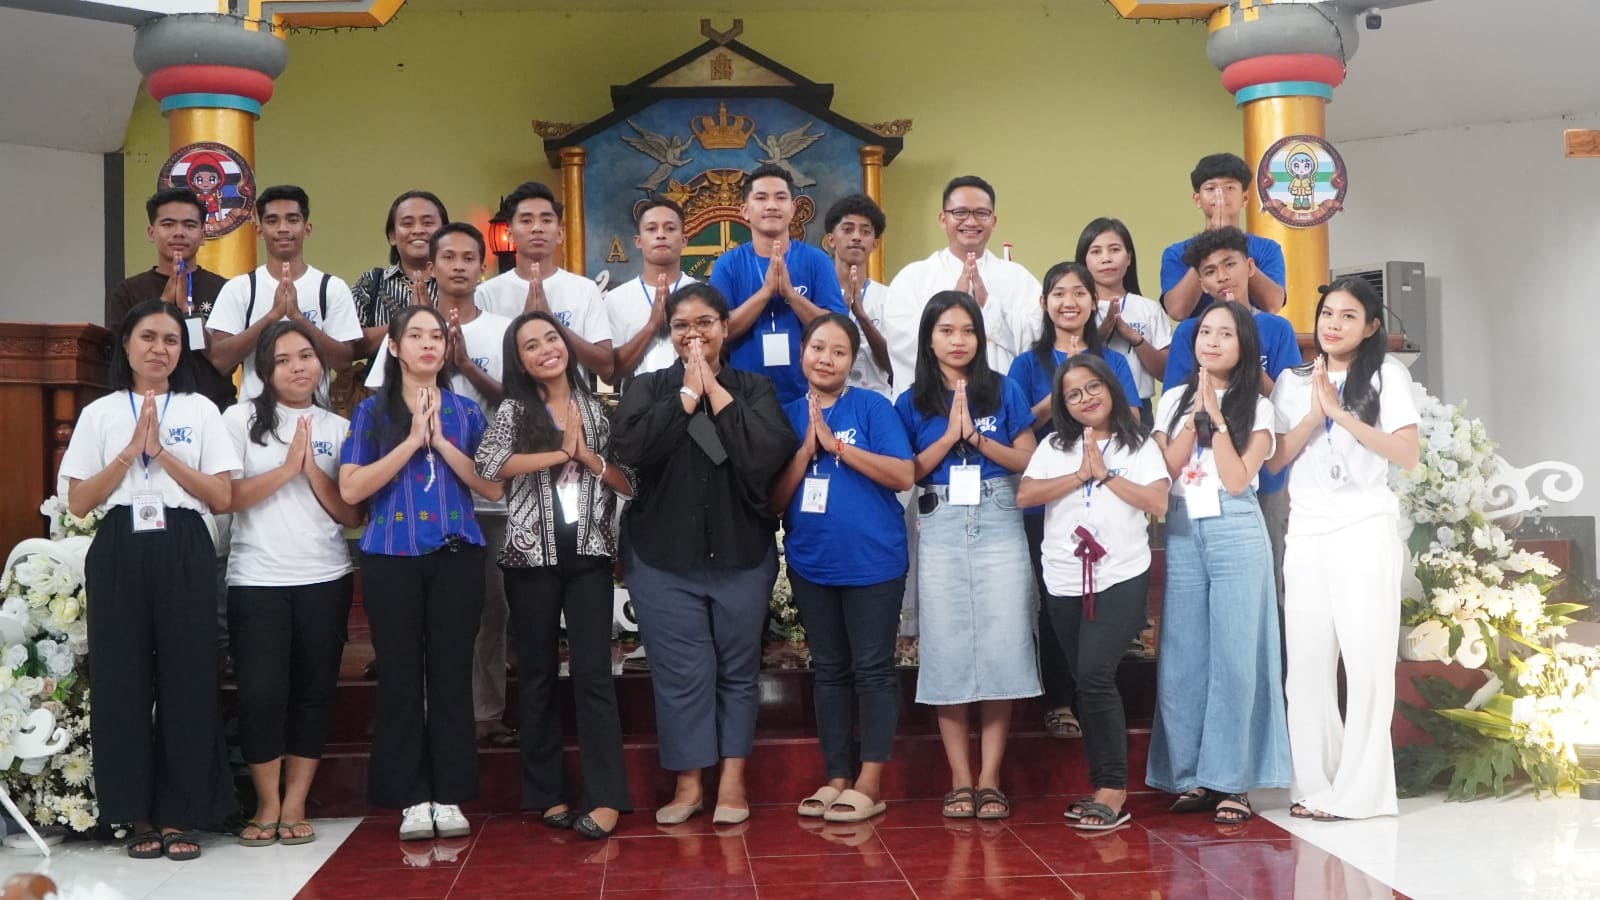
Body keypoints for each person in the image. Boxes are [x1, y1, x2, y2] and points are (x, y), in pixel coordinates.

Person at [59, 299, 240, 861]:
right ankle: (135, 813)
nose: (160, 349)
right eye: (148, 337)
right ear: (126, 345)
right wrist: (127, 455)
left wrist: (161, 453)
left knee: (190, 677)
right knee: (121, 681)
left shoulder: (201, 409)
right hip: (119, 544)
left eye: (171, 340)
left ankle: (182, 813)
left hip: (183, 542)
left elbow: (221, 496)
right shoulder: (100, 412)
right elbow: (78, 502)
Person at [613, 283, 795, 826]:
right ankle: (689, 782)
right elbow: (631, 450)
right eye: (681, 326)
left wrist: (714, 391)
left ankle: (733, 780)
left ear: (724, 327)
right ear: (669, 334)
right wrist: (686, 398)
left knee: (738, 672)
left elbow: (765, 456)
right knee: (681, 675)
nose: (693, 334)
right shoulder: (647, 388)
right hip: (662, 557)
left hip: (741, 553)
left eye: (704, 323)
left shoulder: (754, 388)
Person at [338, 305, 504, 841]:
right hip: (390, 556)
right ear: (394, 347)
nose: (428, 344)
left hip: (457, 554)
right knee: (401, 676)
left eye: (437, 336)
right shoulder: (371, 412)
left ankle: (450, 794)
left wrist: (441, 442)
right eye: (415, 335)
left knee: (452, 675)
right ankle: (411, 797)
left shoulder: (466, 412)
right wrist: (411, 440)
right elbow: (351, 488)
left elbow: (493, 486)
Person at [476, 311, 636, 839]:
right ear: (519, 360)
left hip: (590, 557)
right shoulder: (514, 410)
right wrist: (555, 453)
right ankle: (546, 793)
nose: (546, 349)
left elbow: (629, 482)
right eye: (531, 345)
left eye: (552, 338)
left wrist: (587, 457)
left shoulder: (599, 410)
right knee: (538, 676)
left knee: (593, 675)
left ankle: (607, 797)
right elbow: (488, 466)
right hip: (530, 559)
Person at [1268, 278, 1420, 821]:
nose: (1332, 324)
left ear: (1371, 326)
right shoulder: (1291, 381)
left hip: (1363, 527)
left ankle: (1363, 792)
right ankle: (1314, 784)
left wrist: (1341, 416)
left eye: (1348, 316)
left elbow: (1406, 454)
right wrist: (1313, 415)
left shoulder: (1386, 375)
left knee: (1366, 661)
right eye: (1327, 313)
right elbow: (1274, 461)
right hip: (1307, 530)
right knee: (1307, 664)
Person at [366, 223, 516, 747]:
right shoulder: (409, 331)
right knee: (412, 622)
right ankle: (417, 718)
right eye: (447, 256)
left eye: (469, 257)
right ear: (430, 266)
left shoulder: (502, 329)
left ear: (482, 266)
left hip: (482, 491)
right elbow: (380, 401)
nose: (458, 265)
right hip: (410, 500)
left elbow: (519, 402)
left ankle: (484, 710)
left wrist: (467, 367)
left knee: (488, 609)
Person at [894, 291, 1039, 821]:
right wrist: (948, 437)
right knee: (947, 648)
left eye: (968, 330)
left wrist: (975, 437)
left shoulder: (1003, 389)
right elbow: (906, 472)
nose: (958, 340)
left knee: (1003, 644)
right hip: (939, 522)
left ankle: (990, 779)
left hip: (999, 515)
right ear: (929, 339)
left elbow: (1026, 459)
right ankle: (959, 780)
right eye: (946, 331)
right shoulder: (910, 400)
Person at [1146, 301, 1290, 825]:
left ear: (1244, 345)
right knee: (1183, 654)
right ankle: (1191, 775)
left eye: (1225, 334)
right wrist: (1194, 416)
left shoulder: (1261, 407)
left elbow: (1235, 478)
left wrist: (1220, 419)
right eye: (1205, 331)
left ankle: (1233, 781)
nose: (1211, 340)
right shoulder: (1171, 399)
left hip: (1235, 524)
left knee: (1236, 655)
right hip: (1184, 525)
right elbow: (1165, 469)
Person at [220, 320, 362, 848]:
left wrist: (311, 471)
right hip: (256, 578)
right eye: (283, 360)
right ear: (264, 370)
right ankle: (266, 804)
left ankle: (296, 802)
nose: (298, 367)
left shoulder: (339, 427)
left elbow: (352, 513)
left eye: (306, 356)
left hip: (324, 576)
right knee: (261, 694)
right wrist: (285, 469)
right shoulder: (238, 420)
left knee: (312, 691)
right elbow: (226, 498)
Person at [769, 314, 913, 822]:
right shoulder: (785, 414)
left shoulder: (872, 406)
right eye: (817, 348)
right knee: (828, 670)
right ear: (801, 353)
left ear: (852, 361)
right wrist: (806, 449)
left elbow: (902, 474)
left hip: (874, 561)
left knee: (872, 669)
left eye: (838, 351)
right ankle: (836, 777)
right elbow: (773, 501)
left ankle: (870, 782)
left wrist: (836, 447)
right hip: (812, 562)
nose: (826, 359)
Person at [1016, 354, 1169, 831]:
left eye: (1093, 387)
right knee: (1085, 680)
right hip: (1063, 576)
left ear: (1110, 387)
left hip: (1120, 575)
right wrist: (1079, 474)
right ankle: (1102, 781)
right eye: (1073, 393)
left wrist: (1106, 474)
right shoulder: (1054, 445)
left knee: (1095, 675)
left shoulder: (1139, 443)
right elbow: (1025, 495)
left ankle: (1113, 788)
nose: (1086, 398)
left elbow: (1157, 501)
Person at [1006, 261, 1138, 743]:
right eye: (1059, 293)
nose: (1069, 302)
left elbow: (1132, 420)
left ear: (1092, 301)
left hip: (1109, 498)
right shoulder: (1027, 364)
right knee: (1054, 602)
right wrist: (1064, 389)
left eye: (1079, 293)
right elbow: (1018, 427)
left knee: (1105, 600)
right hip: (1050, 501)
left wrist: (1090, 382)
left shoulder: (1113, 362)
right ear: (1045, 304)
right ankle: (1059, 700)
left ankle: (1097, 697)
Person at [1164, 227, 1302, 604]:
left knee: (1267, 582)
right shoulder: (1191, 333)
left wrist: (1247, 362)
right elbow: (1178, 404)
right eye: (1210, 271)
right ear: (1201, 282)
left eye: (1230, 265)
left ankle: (1273, 643)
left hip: (1264, 475)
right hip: (1198, 479)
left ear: (1250, 266)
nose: (1222, 277)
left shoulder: (1276, 329)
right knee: (1197, 587)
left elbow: (1289, 407)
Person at [883, 176, 1042, 391]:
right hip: (933, 401)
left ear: (994, 221)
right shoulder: (913, 277)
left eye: (981, 213)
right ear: (943, 219)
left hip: (998, 400)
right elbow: (899, 341)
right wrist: (951, 305)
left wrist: (989, 307)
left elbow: (1039, 336)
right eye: (960, 212)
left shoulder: (1017, 277)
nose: (971, 222)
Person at [207, 185, 362, 401]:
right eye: (272, 221)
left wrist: (298, 318)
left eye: (292, 220)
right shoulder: (240, 288)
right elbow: (219, 362)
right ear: (259, 231)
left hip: (314, 413)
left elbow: (343, 362)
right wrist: (271, 317)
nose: (283, 228)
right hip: (253, 415)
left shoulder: (331, 287)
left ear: (307, 229)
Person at [708, 163, 848, 404]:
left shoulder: (817, 261)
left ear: (792, 209)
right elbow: (717, 331)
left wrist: (791, 295)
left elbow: (839, 328)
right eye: (761, 198)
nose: (772, 205)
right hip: (744, 399)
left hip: (807, 396)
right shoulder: (727, 264)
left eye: (780, 197)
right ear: (745, 210)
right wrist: (765, 293)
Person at [107, 188, 236, 409]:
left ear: (203, 235)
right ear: (151, 233)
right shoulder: (128, 291)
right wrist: (163, 305)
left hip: (214, 407)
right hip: (146, 405)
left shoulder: (225, 289)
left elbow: (226, 365)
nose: (179, 233)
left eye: (189, 225)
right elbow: (119, 355)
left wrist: (188, 312)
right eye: (168, 224)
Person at [475, 182, 614, 382]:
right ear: (510, 234)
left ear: (560, 233)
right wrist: (524, 327)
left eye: (546, 220)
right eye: (526, 220)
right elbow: (486, 364)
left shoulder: (584, 289)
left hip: (570, 399)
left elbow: (606, 367)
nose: (537, 228)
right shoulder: (486, 293)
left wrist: (551, 322)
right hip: (511, 398)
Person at [1159, 153, 1286, 319]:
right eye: (1210, 189)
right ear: (1197, 200)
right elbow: (1177, 311)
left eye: (1230, 188)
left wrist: (1232, 241)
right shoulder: (1176, 253)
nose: (1220, 195)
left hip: (1255, 332)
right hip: (1198, 334)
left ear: (1245, 198)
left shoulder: (1267, 249)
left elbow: (1273, 304)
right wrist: (1208, 244)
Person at [1077, 217, 1171, 423]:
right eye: (1096, 251)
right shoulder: (1076, 308)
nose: (1106, 258)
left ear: (1129, 258)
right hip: (1086, 409)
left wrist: (1135, 338)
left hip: (1140, 410)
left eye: (1114, 250)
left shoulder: (1149, 309)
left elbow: (1166, 372)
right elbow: (1066, 361)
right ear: (1084, 261)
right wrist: (1099, 335)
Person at [609, 198, 697, 385]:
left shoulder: (701, 294)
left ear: (684, 240)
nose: (661, 235)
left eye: (670, 228)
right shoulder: (615, 299)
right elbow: (611, 373)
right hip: (638, 398)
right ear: (638, 241)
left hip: (694, 395)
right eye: (651, 229)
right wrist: (652, 325)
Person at [350, 190, 448, 358]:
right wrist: (405, 322)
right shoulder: (370, 284)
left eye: (427, 222)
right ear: (392, 236)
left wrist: (432, 321)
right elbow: (348, 347)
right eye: (408, 224)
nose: (418, 230)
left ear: (445, 232)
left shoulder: (462, 284)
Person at [823, 194, 894, 397]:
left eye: (866, 231)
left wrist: (862, 316)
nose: (856, 237)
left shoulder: (888, 297)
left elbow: (894, 366)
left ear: (875, 243)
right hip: (828, 400)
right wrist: (841, 314)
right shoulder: (819, 294)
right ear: (831, 240)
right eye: (847, 229)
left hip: (877, 398)